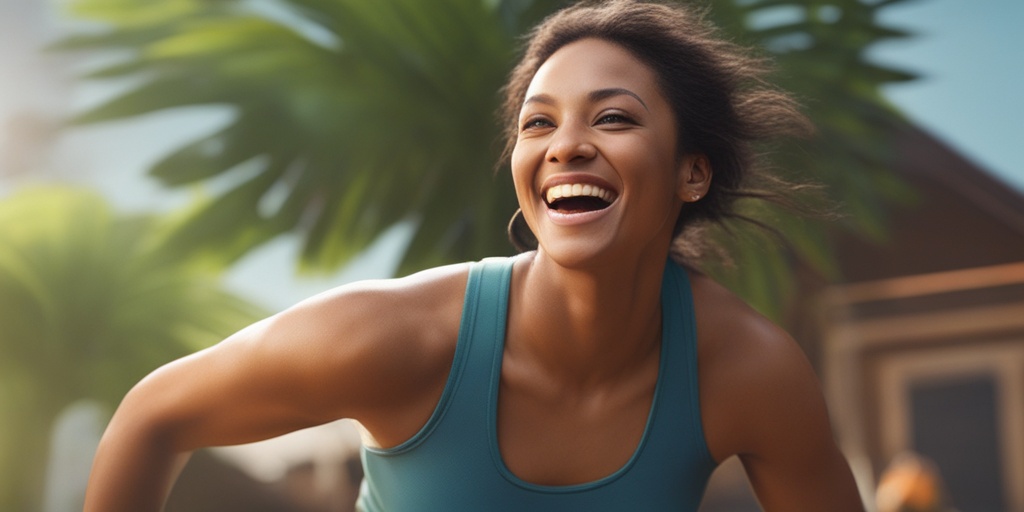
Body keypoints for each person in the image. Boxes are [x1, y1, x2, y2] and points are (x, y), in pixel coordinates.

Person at [84, 1, 865, 510]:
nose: (567, 147)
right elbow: (152, 416)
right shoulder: (402, 340)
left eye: (614, 118)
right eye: (537, 124)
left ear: (693, 170)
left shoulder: (749, 374)